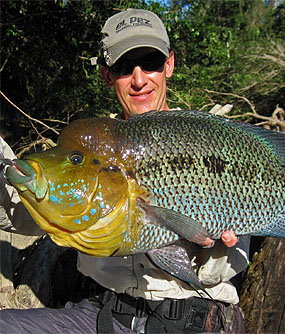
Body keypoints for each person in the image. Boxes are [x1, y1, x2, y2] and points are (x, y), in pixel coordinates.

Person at [0, 8, 249, 334]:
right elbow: (26, 213)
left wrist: (209, 250)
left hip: (195, 321)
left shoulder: (206, 144)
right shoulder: (89, 149)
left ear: (169, 65)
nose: (139, 79)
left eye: (151, 63)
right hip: (101, 315)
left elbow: (220, 269)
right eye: (122, 67)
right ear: (106, 74)